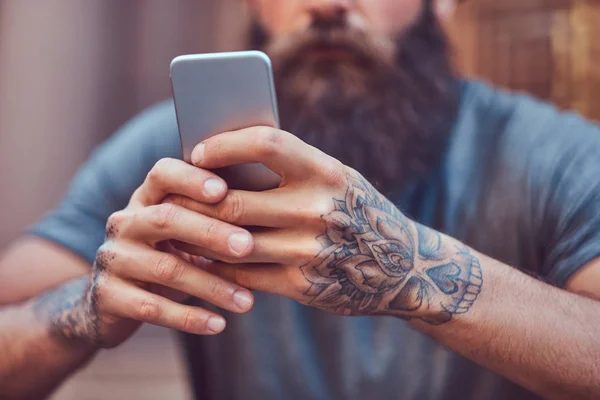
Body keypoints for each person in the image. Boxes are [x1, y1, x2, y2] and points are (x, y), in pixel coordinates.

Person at [1, 0, 599, 398]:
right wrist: (91, 303)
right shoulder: (176, 153)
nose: (326, 5)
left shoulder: (552, 153)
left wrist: (412, 268)